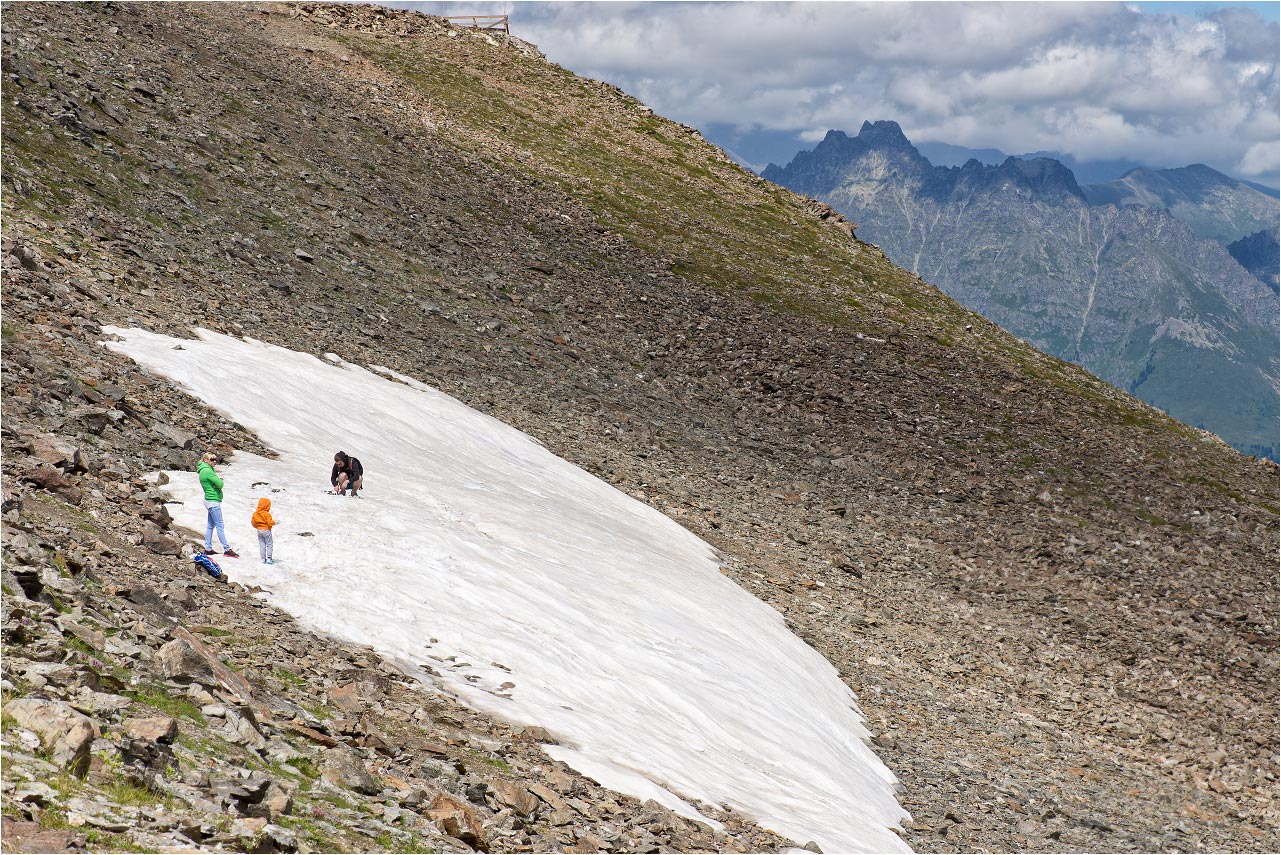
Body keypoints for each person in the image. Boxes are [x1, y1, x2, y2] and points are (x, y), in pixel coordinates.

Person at [197, 452, 238, 557]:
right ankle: (227, 549)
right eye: (212, 459)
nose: (214, 461)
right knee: (220, 525)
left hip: (209, 500)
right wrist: (220, 481)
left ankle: (208, 548)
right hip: (213, 501)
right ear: (205, 460)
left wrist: (217, 484)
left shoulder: (203, 470)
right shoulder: (207, 471)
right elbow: (220, 484)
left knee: (210, 526)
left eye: (215, 459)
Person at [251, 497, 277, 565]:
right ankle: (269, 558)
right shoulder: (267, 514)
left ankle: (262, 559)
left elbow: (253, 523)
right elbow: (269, 523)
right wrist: (275, 522)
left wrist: (257, 527)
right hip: (266, 530)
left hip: (259, 530)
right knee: (269, 544)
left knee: (262, 544)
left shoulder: (255, 514)